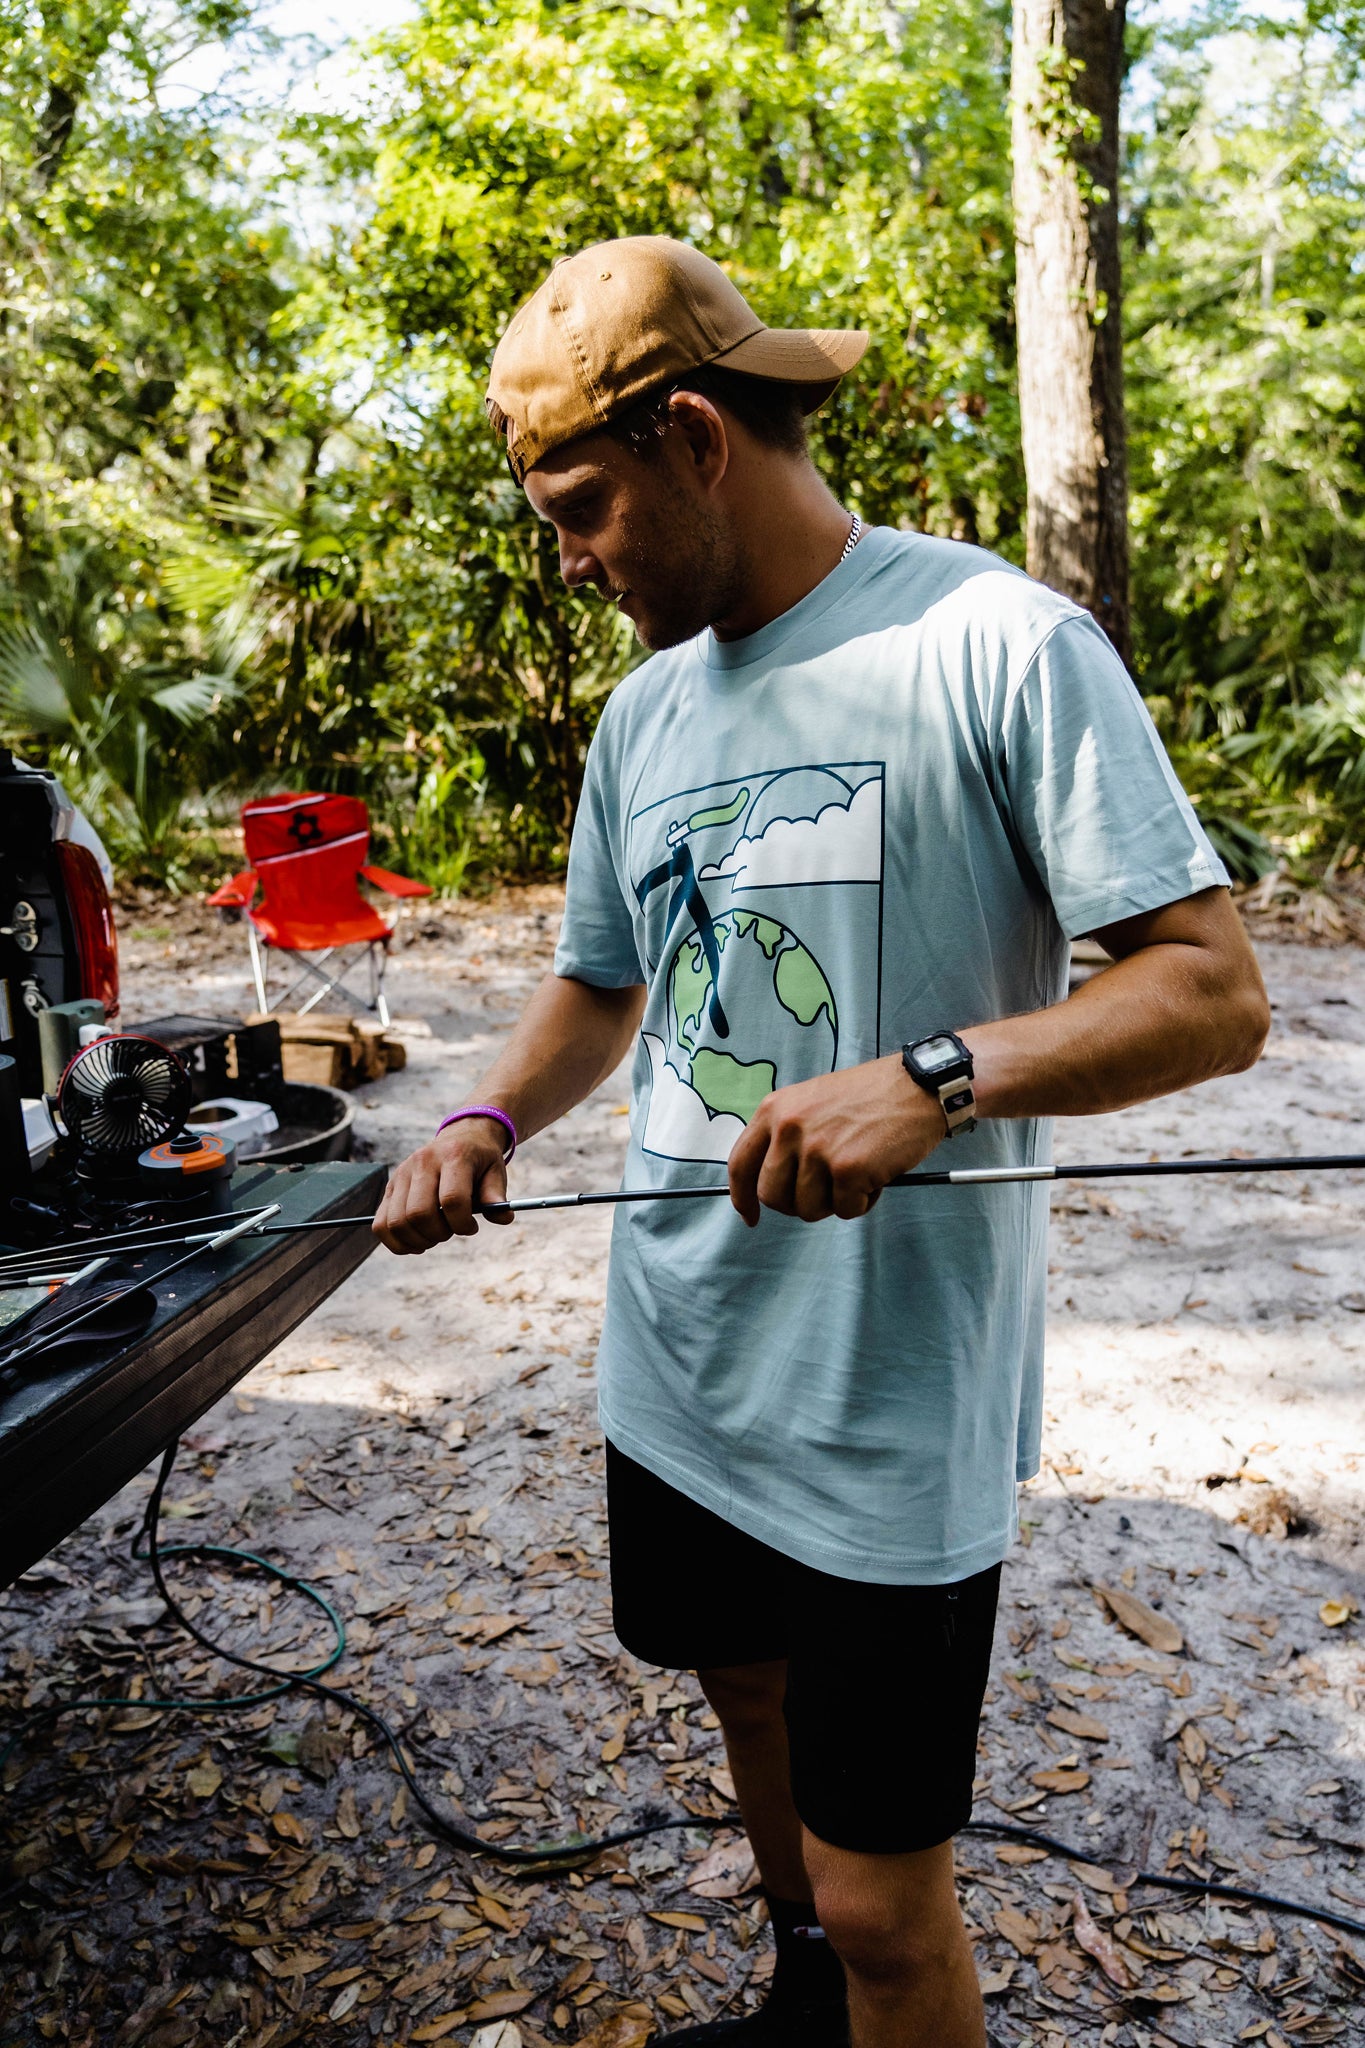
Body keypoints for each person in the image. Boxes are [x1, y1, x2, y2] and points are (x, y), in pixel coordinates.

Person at [374, 236, 1270, 2048]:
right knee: (747, 1703)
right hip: (681, 1365)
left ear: (696, 437)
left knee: (882, 1907)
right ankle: (800, 2013)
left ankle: (848, 1990)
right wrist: (479, 1113)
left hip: (883, 1398)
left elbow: (1209, 993)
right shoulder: (645, 712)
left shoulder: (996, 643)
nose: (569, 556)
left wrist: (932, 1074)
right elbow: (598, 988)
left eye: (581, 505)